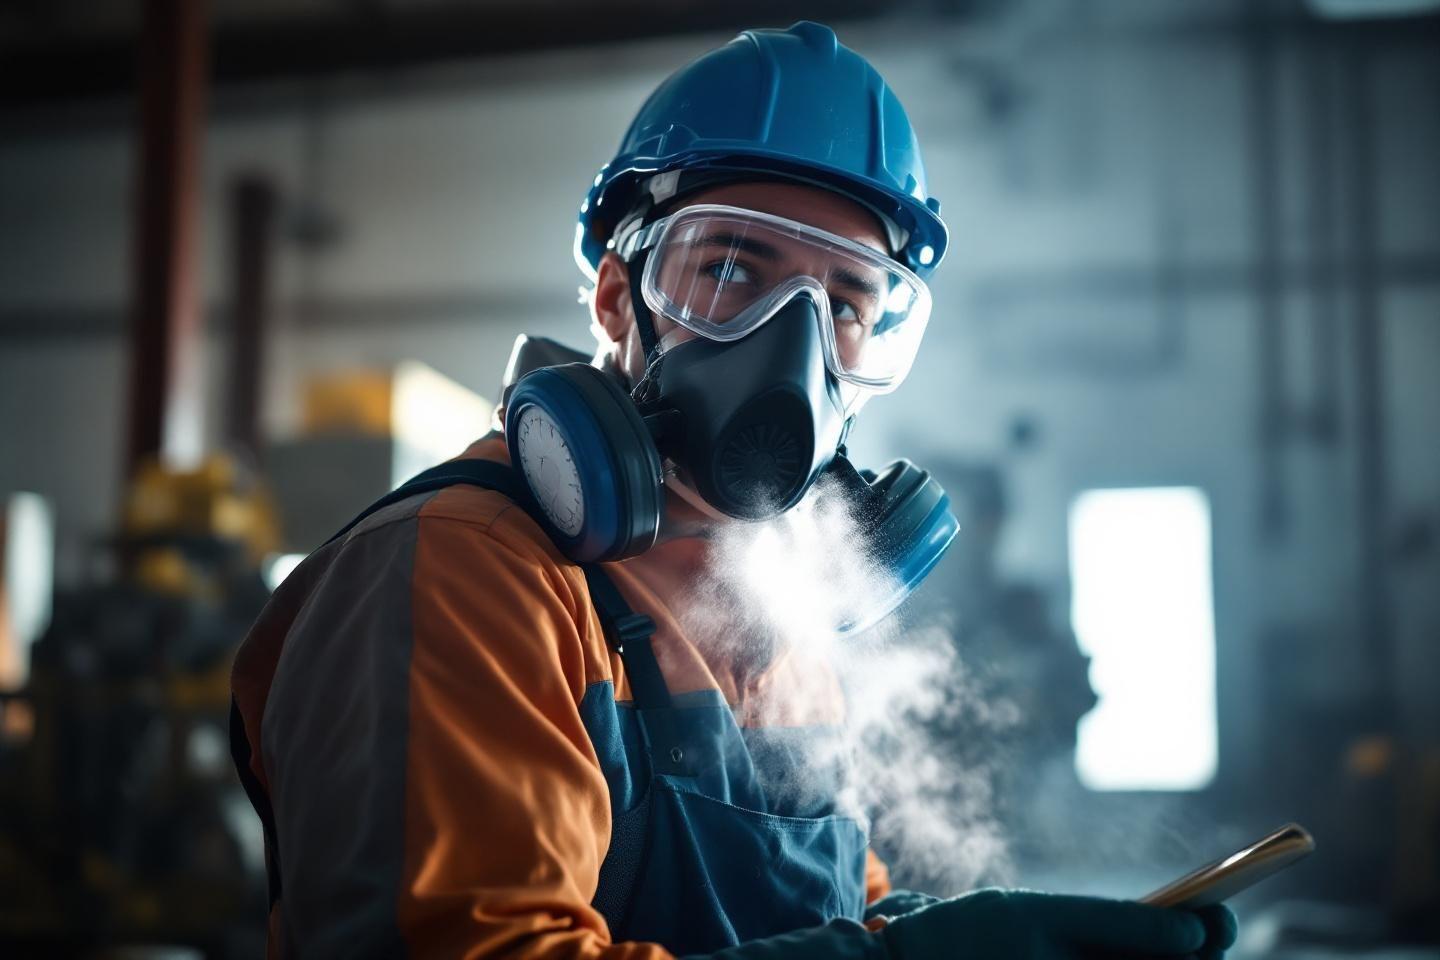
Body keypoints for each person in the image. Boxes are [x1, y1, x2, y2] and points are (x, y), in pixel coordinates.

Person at [230, 22, 1238, 960]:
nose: (791, 343)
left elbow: (831, 919)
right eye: (729, 269)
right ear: (622, 299)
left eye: (846, 303)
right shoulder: (463, 574)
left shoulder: (784, 629)